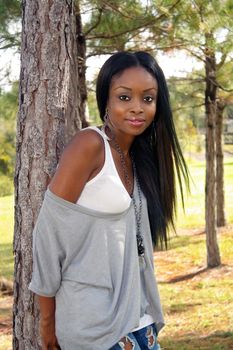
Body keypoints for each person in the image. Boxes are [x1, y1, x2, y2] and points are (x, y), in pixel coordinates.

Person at [29, 51, 189, 350]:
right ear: (106, 100)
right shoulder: (89, 146)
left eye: (148, 99)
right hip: (94, 324)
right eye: (125, 97)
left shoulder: (140, 158)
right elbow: (47, 238)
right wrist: (48, 324)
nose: (137, 108)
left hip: (139, 319)